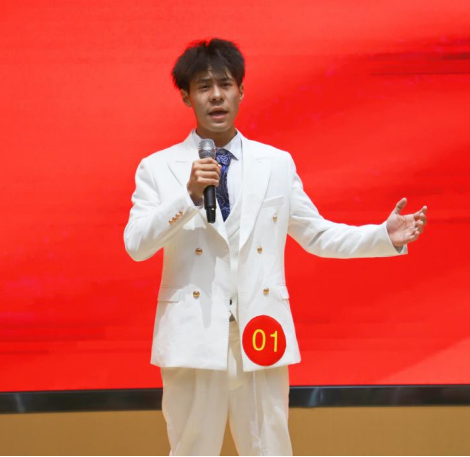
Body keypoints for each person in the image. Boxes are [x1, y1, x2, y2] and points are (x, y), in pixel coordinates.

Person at [124, 38, 427, 456]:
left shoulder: (276, 163)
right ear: (186, 96)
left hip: (261, 330)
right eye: (204, 87)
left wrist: (381, 236)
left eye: (225, 85)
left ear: (241, 91)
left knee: (270, 448)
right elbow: (136, 245)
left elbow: (316, 234)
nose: (216, 96)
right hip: (193, 334)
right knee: (191, 448)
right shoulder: (158, 167)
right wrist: (189, 196)